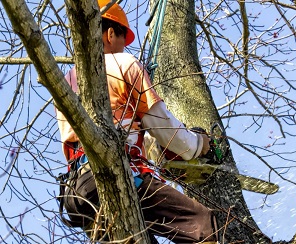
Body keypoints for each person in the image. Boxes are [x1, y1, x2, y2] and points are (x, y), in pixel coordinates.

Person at [56, 0, 218, 243]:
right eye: (122, 41)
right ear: (110, 33)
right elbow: (165, 129)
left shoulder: (66, 81)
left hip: (78, 192)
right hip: (117, 176)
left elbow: (120, 127)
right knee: (204, 225)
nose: (123, 48)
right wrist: (198, 144)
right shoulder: (124, 63)